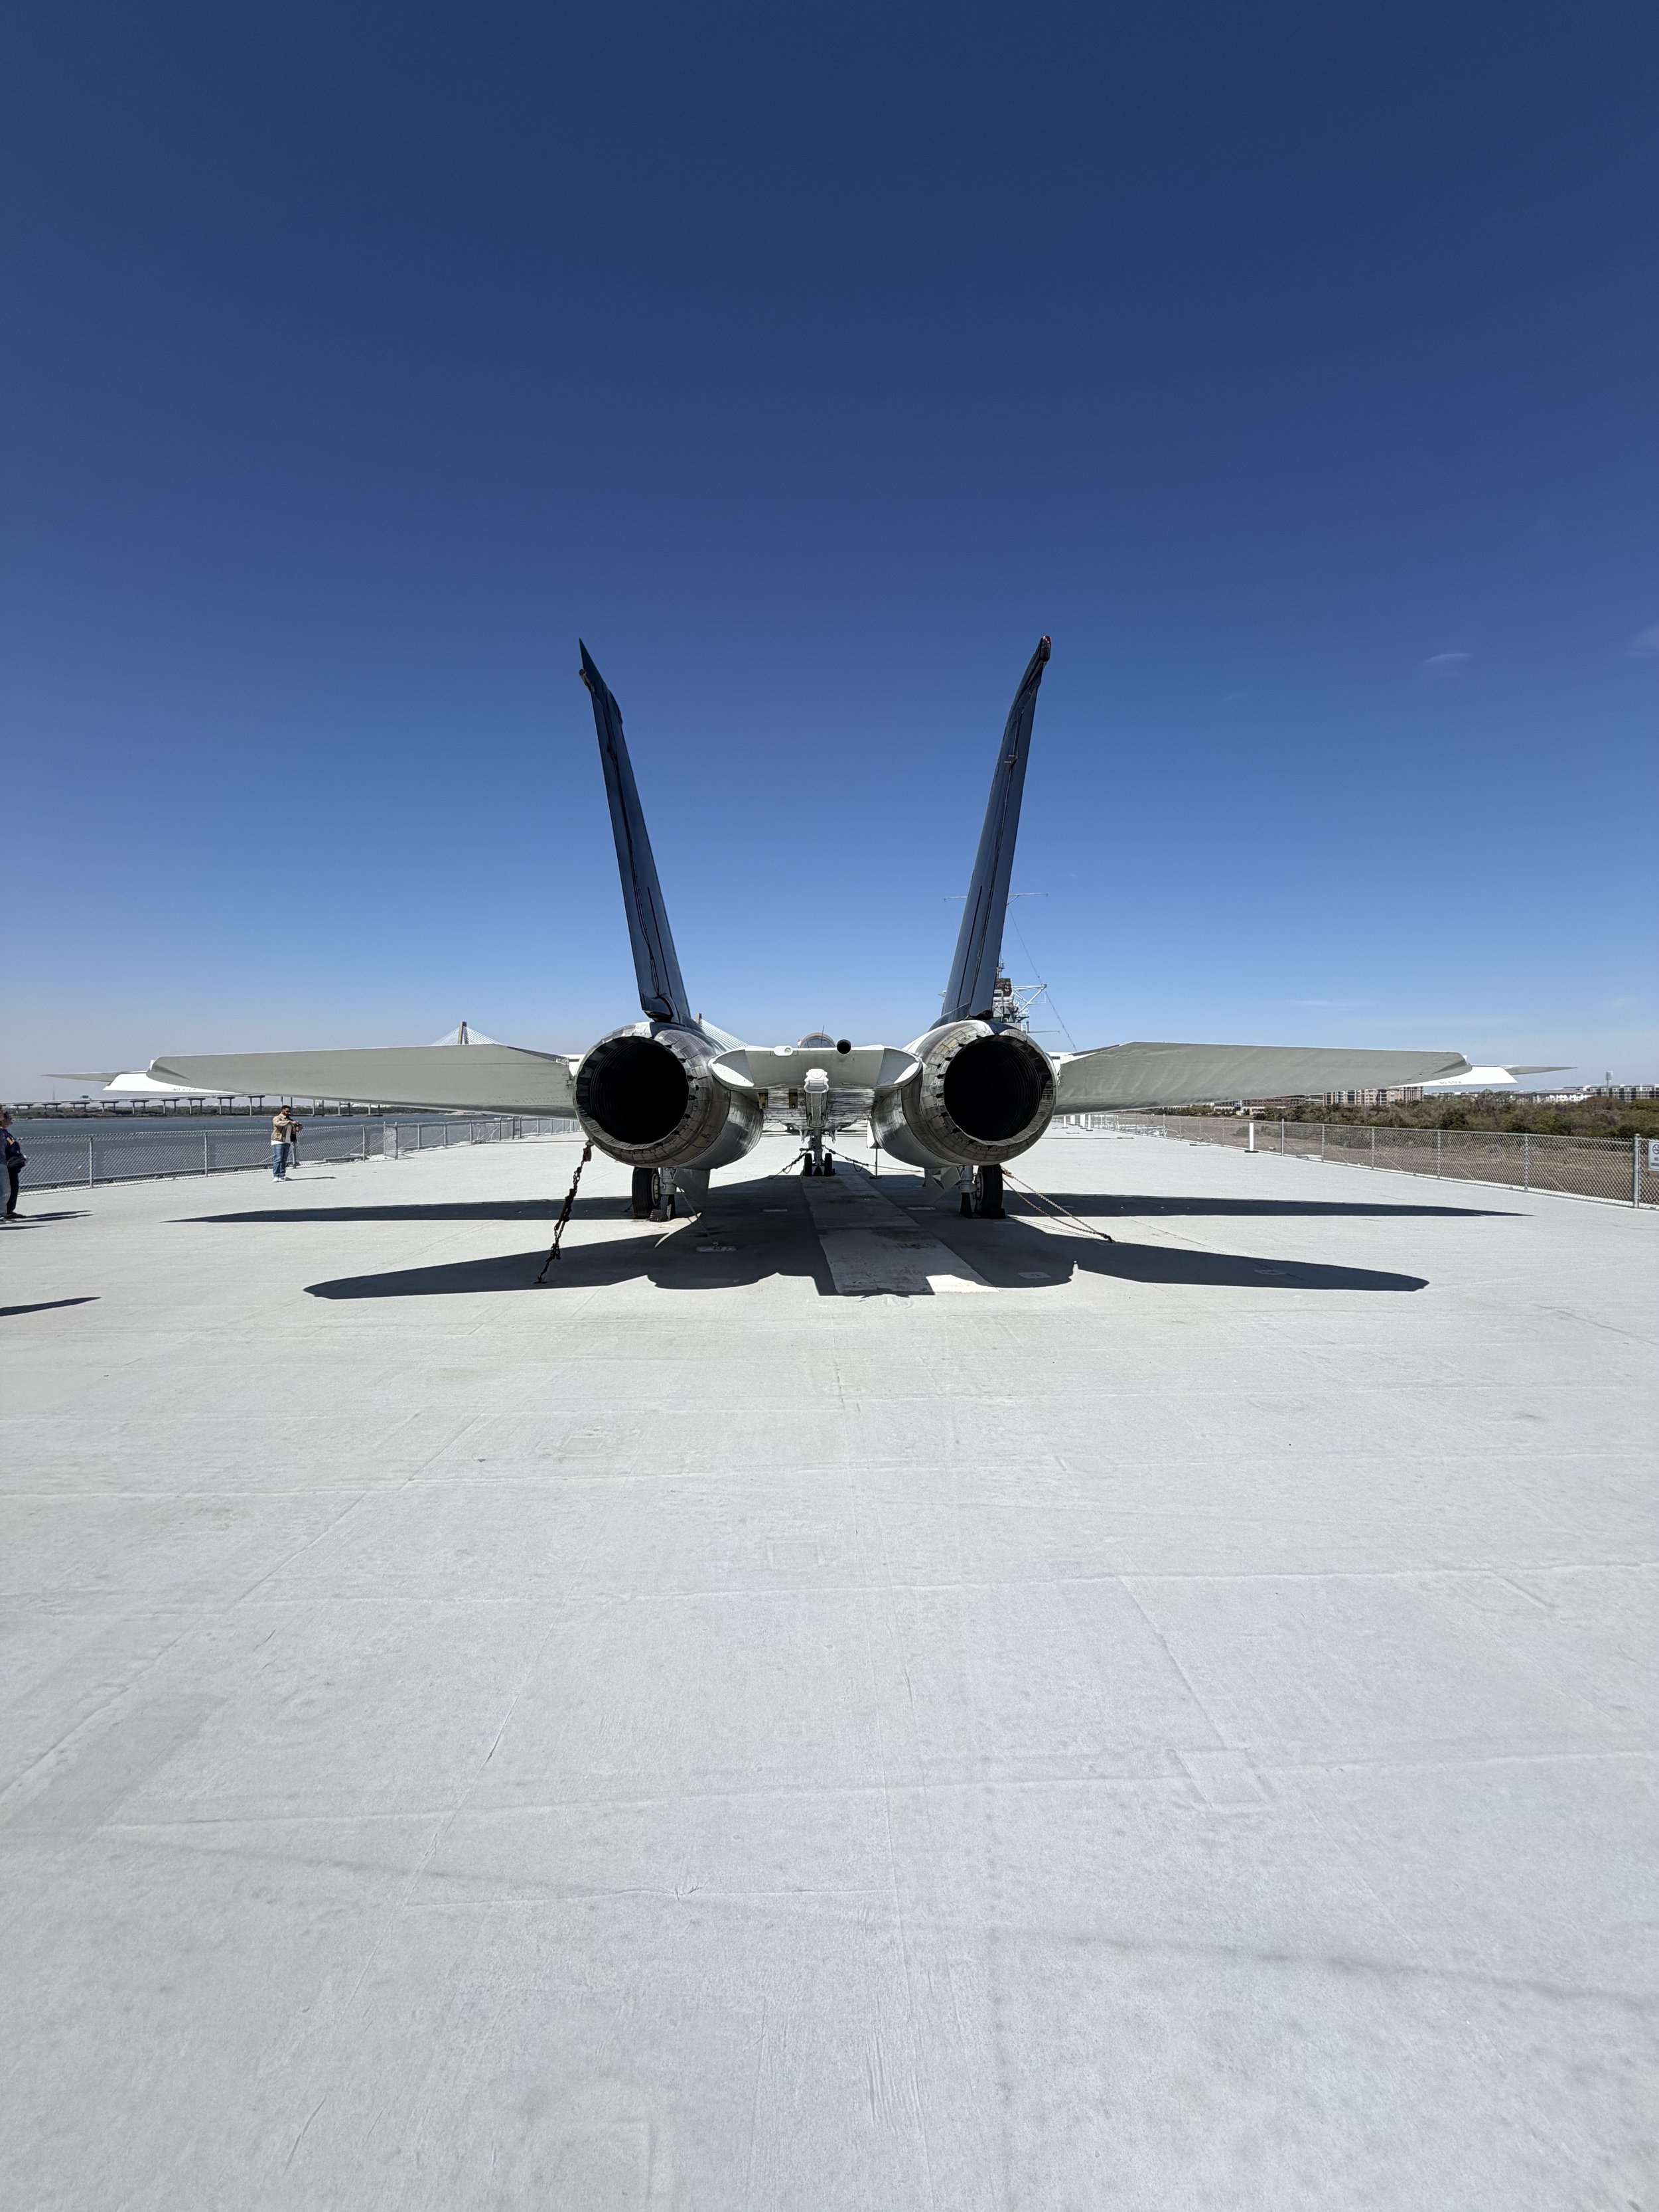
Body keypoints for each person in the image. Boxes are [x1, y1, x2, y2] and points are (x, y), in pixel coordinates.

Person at [1, 1112, 25, 1220]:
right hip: (7, 1164)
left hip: (12, 1164)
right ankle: (5, 1211)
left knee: (12, 1188)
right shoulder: (2, 1133)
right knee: (6, 1189)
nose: (11, 1122)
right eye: (9, 1119)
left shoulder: (5, 1133)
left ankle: (8, 1210)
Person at [270, 1105, 302, 1178]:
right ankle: (276, 1175)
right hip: (278, 1140)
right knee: (278, 1159)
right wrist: (289, 1122)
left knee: (284, 1160)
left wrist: (298, 1125)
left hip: (287, 1141)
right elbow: (278, 1123)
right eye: (287, 1111)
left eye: (290, 1111)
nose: (289, 1113)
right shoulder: (277, 1118)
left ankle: (282, 1175)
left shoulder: (289, 1119)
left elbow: (296, 1131)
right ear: (282, 1111)